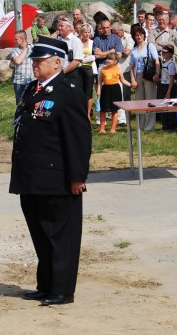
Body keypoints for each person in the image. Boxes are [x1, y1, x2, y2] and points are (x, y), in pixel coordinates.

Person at [10, 36, 91, 306]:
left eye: (40, 60)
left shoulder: (68, 92)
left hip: (57, 177)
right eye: (34, 59)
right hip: (32, 177)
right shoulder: (34, 88)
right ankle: (45, 285)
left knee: (60, 236)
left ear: (57, 63)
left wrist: (78, 177)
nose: (34, 64)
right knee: (41, 234)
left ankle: (62, 289)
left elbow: (79, 138)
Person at [129, 24, 159, 131]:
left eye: (140, 34)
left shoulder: (149, 46)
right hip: (138, 75)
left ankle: (149, 125)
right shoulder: (134, 50)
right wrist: (132, 79)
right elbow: (131, 66)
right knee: (139, 101)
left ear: (143, 35)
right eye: (136, 35)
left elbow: (156, 61)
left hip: (149, 75)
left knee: (150, 100)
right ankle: (140, 125)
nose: (139, 37)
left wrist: (157, 73)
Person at [97, 52, 132, 134]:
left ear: (115, 61)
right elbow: (99, 81)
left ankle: (113, 129)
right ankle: (102, 129)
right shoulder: (103, 69)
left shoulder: (118, 69)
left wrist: (131, 85)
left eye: (110, 59)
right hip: (105, 89)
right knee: (103, 110)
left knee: (114, 110)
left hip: (115, 89)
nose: (108, 60)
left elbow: (122, 80)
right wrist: (99, 90)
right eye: (107, 59)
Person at [55, 15, 84, 91]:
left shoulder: (75, 41)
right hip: (59, 73)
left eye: (61, 26)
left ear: (69, 28)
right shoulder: (58, 40)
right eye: (59, 26)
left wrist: (64, 72)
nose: (59, 28)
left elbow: (77, 60)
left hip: (72, 73)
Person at [78, 24, 97, 121]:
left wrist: (84, 58)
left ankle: (88, 113)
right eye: (85, 32)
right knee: (80, 91)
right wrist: (85, 58)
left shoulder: (92, 43)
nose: (87, 34)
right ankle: (80, 112)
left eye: (88, 32)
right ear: (81, 33)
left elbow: (94, 57)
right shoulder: (78, 43)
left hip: (89, 69)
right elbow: (77, 57)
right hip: (79, 69)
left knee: (89, 92)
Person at [10, 30, 34, 106]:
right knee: (20, 105)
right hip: (19, 82)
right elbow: (17, 61)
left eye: (16, 39)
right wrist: (25, 50)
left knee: (31, 104)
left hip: (31, 80)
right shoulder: (15, 50)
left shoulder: (33, 48)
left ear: (22, 39)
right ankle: (19, 118)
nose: (14, 41)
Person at [158, 44, 177, 130]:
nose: (163, 54)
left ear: (170, 54)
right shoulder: (164, 63)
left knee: (170, 106)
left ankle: (171, 124)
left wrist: (168, 91)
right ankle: (165, 124)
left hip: (169, 87)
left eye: (165, 53)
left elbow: (172, 77)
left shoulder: (171, 64)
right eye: (162, 52)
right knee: (163, 105)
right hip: (163, 85)